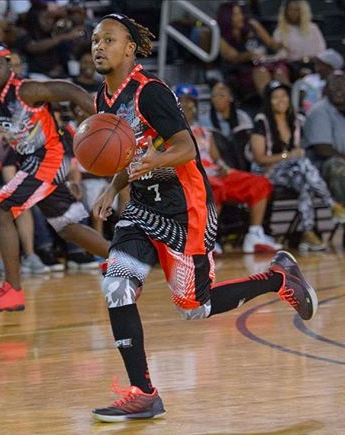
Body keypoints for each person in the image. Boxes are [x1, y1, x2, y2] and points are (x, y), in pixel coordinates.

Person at [88, 14, 317, 422]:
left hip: (184, 209)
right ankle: (144, 393)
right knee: (117, 287)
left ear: (129, 48)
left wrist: (155, 160)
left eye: (108, 39)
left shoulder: (150, 93)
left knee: (194, 307)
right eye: (94, 40)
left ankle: (278, 278)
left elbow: (186, 148)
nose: (98, 46)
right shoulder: (102, 99)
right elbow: (127, 151)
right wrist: (114, 186)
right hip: (142, 207)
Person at [0, 42, 109, 311]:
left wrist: (105, 120)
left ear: (9, 64)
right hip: (31, 161)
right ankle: (123, 262)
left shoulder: (26, 89)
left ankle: (12, 290)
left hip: (50, 156)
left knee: (0, 212)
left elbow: (69, 90)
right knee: (67, 227)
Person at [175, 83, 280, 254]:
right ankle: (205, 239)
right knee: (213, 188)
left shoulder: (205, 131)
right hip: (192, 177)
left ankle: (254, 235)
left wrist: (224, 167)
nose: (187, 106)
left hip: (214, 173)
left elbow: (216, 158)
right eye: (182, 102)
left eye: (191, 102)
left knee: (259, 183)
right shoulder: (169, 131)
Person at [250, 80, 340, 251]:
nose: (281, 100)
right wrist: (287, 156)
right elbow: (259, 158)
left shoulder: (296, 120)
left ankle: (307, 233)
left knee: (305, 183)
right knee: (302, 163)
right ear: (268, 101)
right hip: (267, 171)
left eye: (283, 96)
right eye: (275, 97)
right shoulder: (261, 121)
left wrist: (293, 157)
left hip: (292, 171)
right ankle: (331, 203)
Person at [0, 123, 48, 275]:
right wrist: (5, 194)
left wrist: (12, 196)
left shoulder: (7, 147)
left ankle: (29, 255)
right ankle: (1, 259)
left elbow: (10, 179)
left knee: (21, 205)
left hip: (0, 188)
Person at [302, 71, 345, 219]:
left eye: (342, 86)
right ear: (326, 89)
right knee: (337, 166)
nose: (338, 90)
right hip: (318, 168)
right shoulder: (319, 111)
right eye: (334, 86)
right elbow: (322, 149)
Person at [273, 0, 325, 78]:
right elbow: (281, 55)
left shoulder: (313, 28)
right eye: (290, 9)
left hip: (313, 63)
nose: (293, 13)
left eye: (296, 10)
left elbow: (322, 49)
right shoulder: (279, 31)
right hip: (293, 65)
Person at [297, 49, 343, 114]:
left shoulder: (340, 82)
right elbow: (299, 100)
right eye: (316, 64)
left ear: (330, 66)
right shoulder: (309, 79)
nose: (317, 67)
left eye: (320, 64)